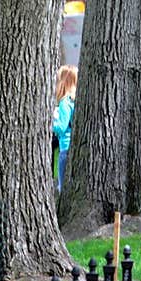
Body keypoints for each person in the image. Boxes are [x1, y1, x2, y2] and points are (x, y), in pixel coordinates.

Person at [52, 64, 77, 193]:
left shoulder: (64, 102)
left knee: (62, 187)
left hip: (65, 149)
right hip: (74, 149)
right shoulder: (74, 101)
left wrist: (50, 125)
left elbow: (61, 127)